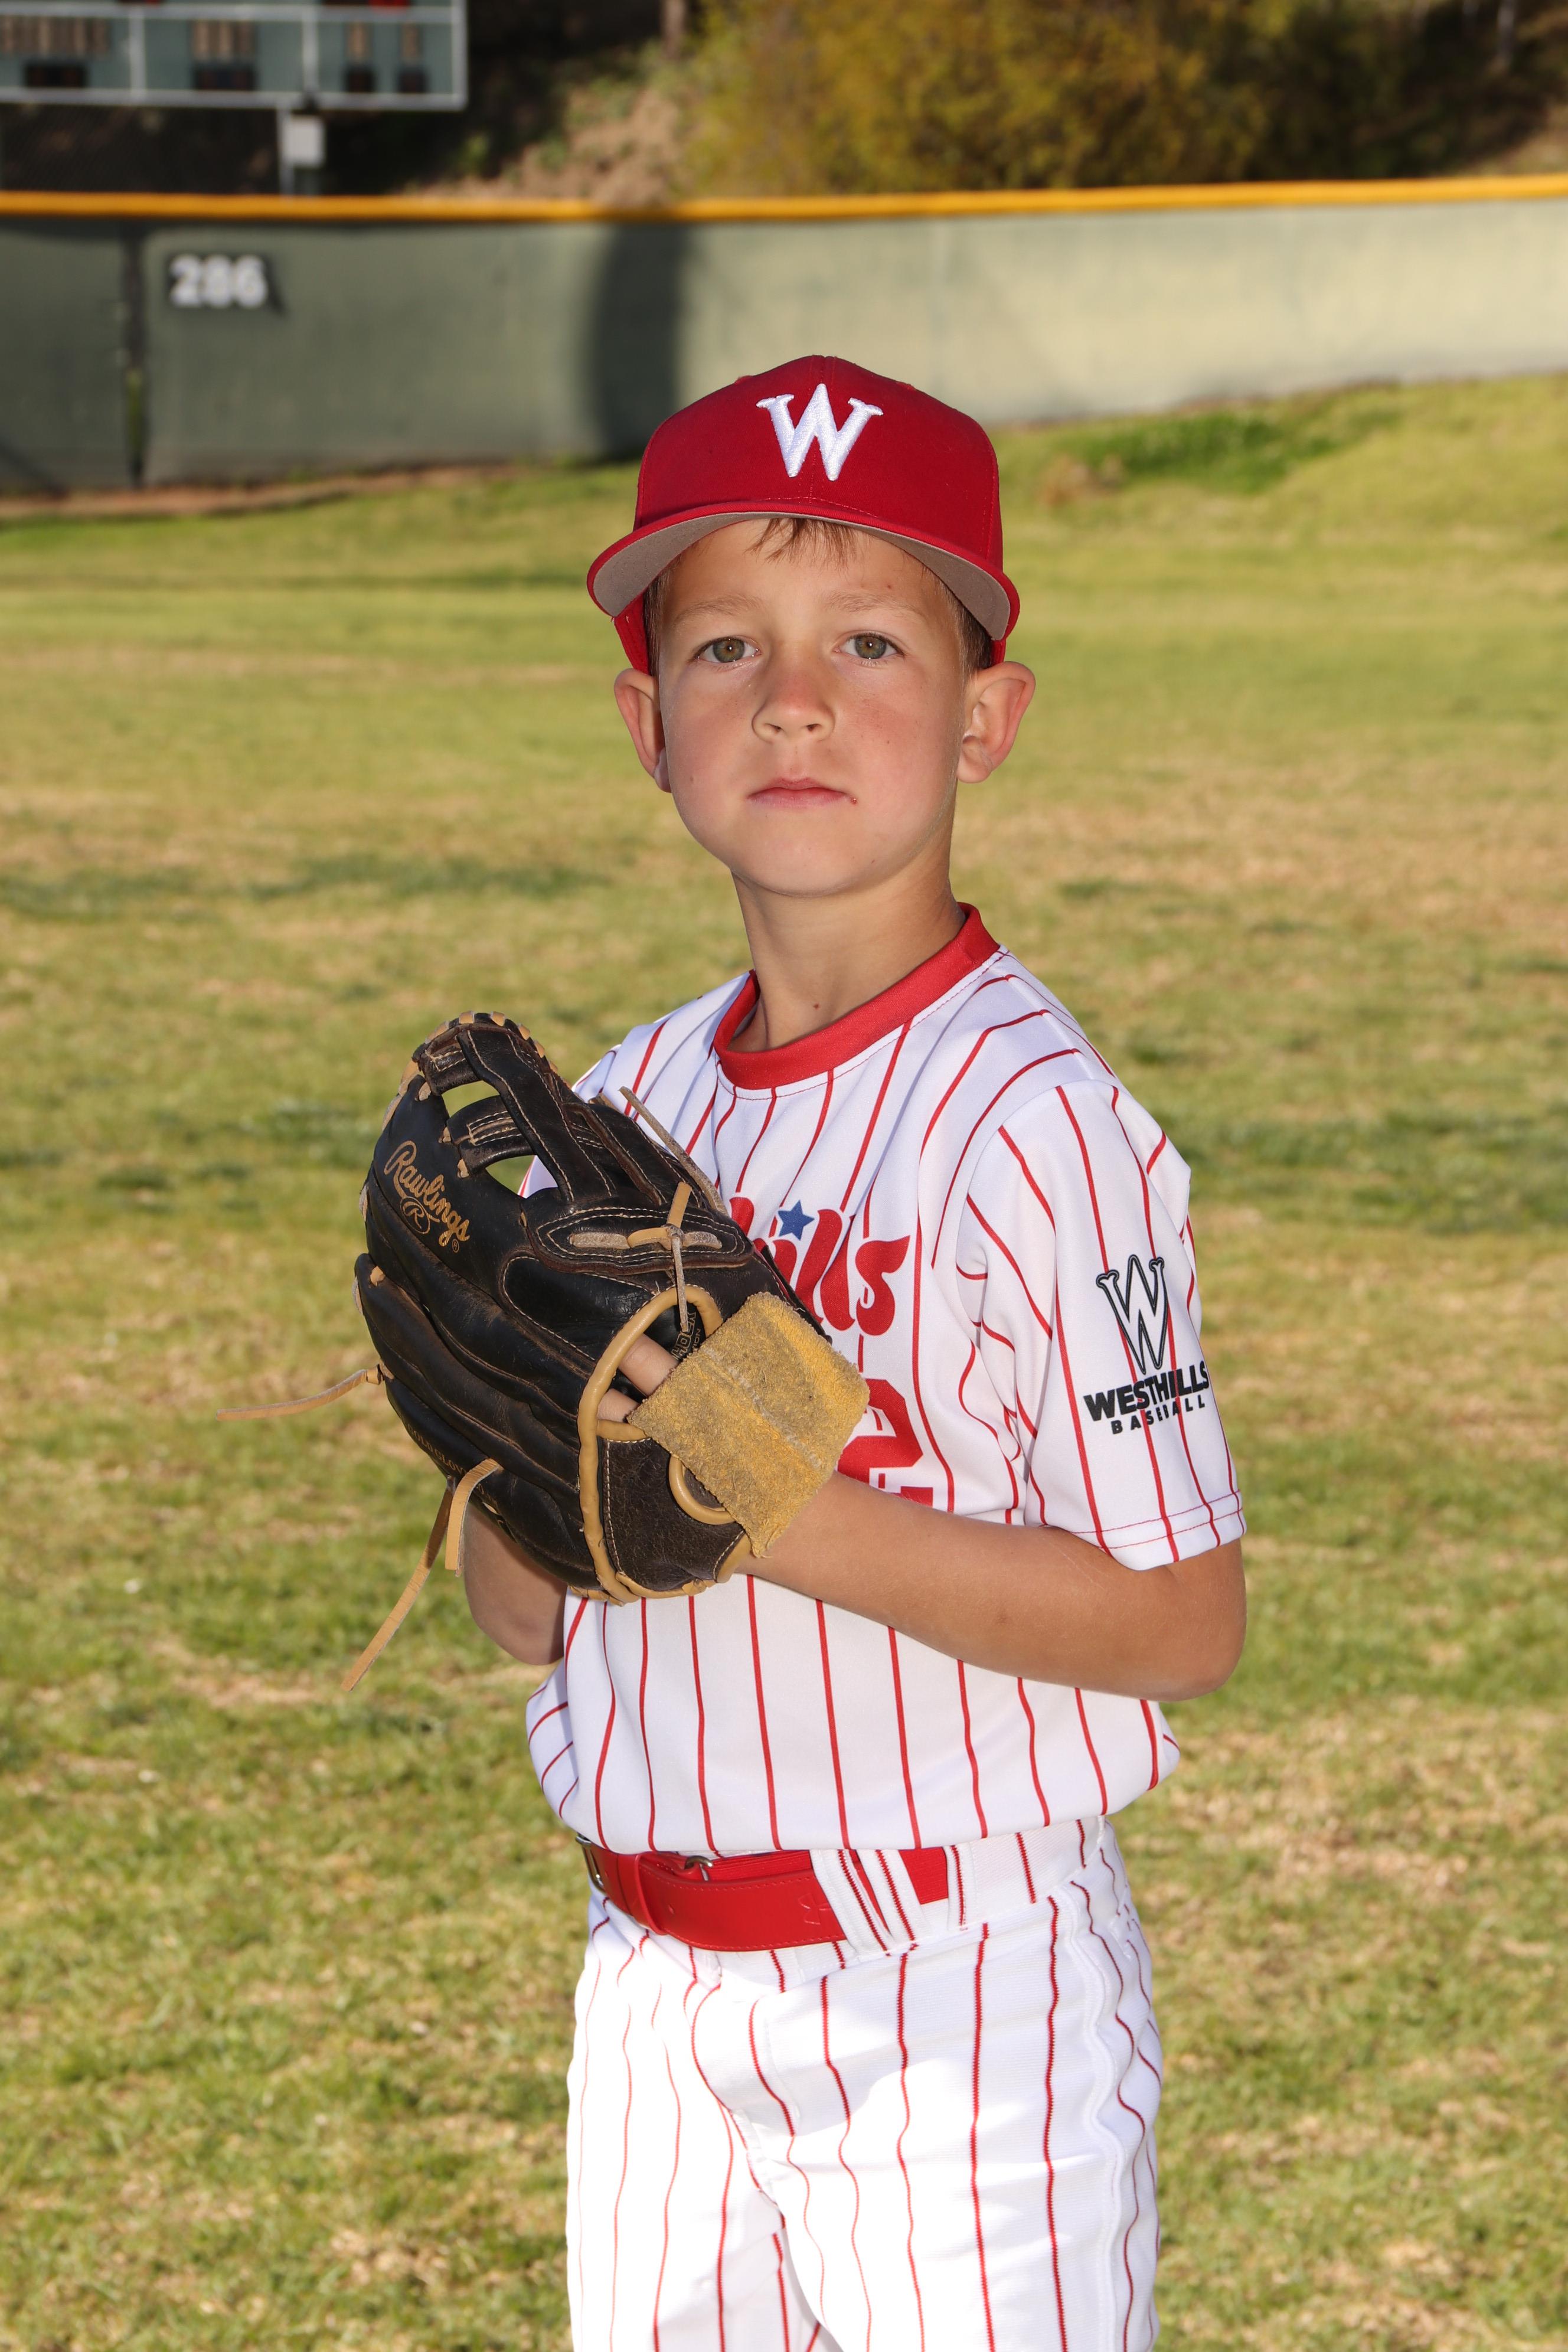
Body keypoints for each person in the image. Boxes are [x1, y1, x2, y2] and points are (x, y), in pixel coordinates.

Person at [459, 355, 1246, 2350]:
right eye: (725, 645)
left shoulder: (1037, 1125)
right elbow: (527, 1615)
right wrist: (503, 1452)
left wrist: (766, 1495)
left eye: (871, 642)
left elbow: (1181, 1620)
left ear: (987, 715)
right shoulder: (625, 1107)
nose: (793, 699)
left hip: (959, 2010)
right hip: (655, 1989)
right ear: (648, 723)